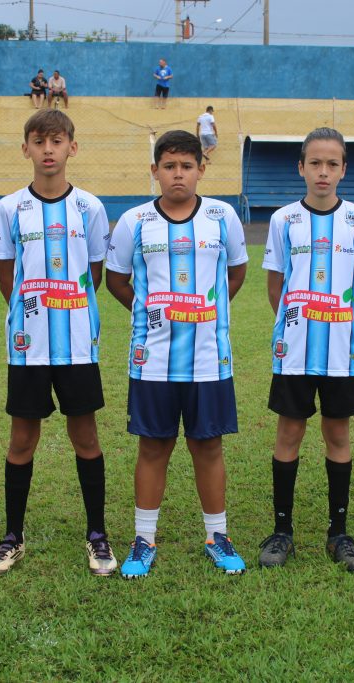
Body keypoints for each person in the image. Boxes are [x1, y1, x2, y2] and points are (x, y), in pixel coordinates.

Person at [107, 130, 249, 578]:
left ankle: (217, 536)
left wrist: (204, 314)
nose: (178, 174)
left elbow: (236, 273)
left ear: (201, 169)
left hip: (210, 358)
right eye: (169, 166)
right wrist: (152, 314)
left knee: (208, 446)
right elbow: (116, 279)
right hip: (153, 359)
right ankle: (144, 539)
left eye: (187, 166)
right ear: (155, 171)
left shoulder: (223, 217)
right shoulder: (134, 221)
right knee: (153, 446)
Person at [0, 109, 116, 577]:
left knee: (86, 437)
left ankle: (97, 534)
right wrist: (32, 313)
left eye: (56, 141)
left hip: (78, 344)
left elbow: (94, 274)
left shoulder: (90, 208)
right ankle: (12, 537)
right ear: (26, 148)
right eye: (38, 141)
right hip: (28, 346)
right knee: (22, 439)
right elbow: (6, 276)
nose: (47, 150)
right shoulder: (9, 208)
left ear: (71, 148)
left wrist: (68, 309)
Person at [258, 128, 354, 572]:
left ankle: (338, 533)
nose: (323, 172)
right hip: (295, 351)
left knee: (338, 435)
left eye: (332, 164)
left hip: (342, 351)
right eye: (315, 163)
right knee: (289, 434)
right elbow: (276, 285)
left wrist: (336, 322)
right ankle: (282, 532)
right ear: (301, 168)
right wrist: (298, 324)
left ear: (343, 170)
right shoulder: (283, 219)